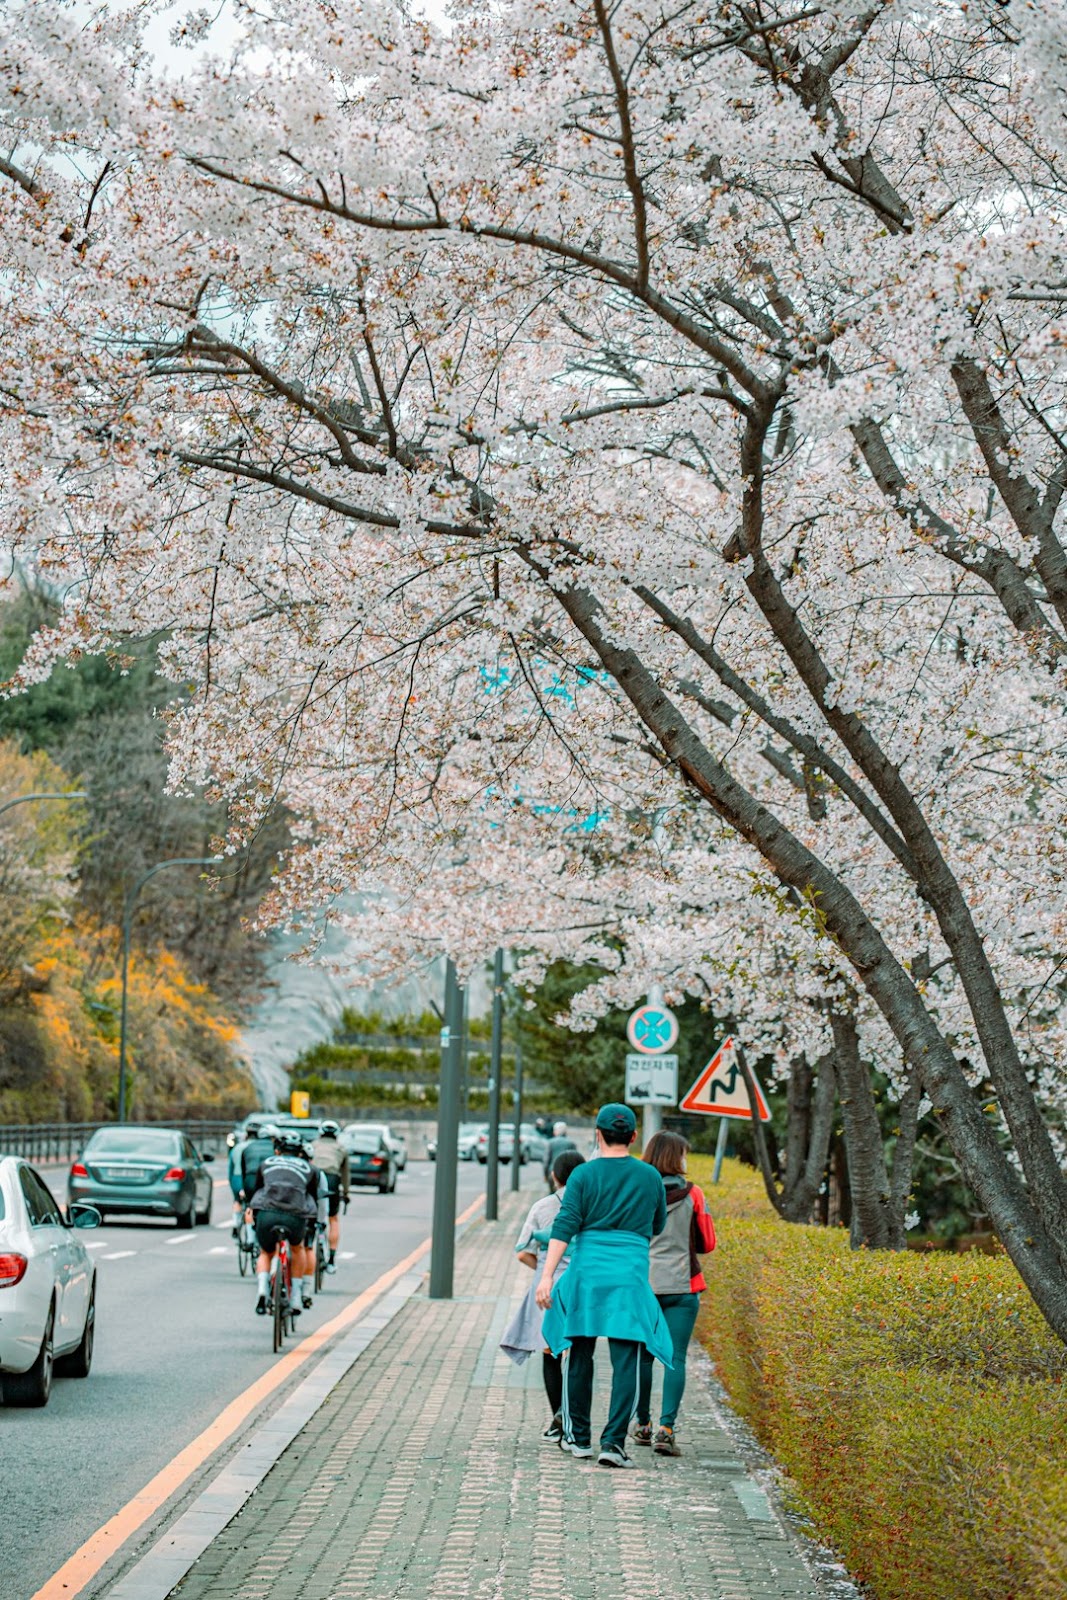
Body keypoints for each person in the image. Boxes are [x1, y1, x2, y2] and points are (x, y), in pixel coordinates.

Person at [538, 1103, 671, 1469]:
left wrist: (547, 1276)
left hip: (587, 1275)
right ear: (632, 1136)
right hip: (629, 1276)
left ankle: (578, 1438)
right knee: (626, 1360)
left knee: (579, 1353)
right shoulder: (650, 1177)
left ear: (597, 1134)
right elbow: (657, 1225)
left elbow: (564, 1226)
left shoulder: (582, 1176)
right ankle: (613, 1444)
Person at [632, 1131, 716, 1457]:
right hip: (683, 1286)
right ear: (675, 1157)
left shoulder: (637, 1191)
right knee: (675, 1358)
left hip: (644, 1287)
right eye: (683, 1154)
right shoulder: (694, 1194)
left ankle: (641, 1424)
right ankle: (666, 1430)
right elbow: (707, 1243)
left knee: (643, 1356)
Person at [500, 1149, 586, 1440]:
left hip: (549, 1288)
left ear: (553, 1176)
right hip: (582, 1286)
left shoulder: (542, 1207)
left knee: (551, 1353)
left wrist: (544, 1271)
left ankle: (558, 1415)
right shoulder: (592, 1206)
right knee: (579, 1352)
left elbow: (523, 1251)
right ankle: (574, 1416)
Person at [247, 1130, 325, 1317]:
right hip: (295, 1215)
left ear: (277, 1151)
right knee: (298, 1249)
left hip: (267, 1212)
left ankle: (262, 1291)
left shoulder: (266, 1163)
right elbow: (314, 1197)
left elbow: (256, 1189)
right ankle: (297, 1297)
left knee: (266, 1251)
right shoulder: (310, 1169)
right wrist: (316, 1223)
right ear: (300, 1153)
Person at [311, 1121, 350, 1273]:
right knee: (333, 1218)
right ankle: (332, 1260)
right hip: (332, 1179)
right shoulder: (341, 1149)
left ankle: (308, 1243)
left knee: (309, 1214)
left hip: (314, 1177)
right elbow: (345, 1174)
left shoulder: (313, 1145)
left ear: (320, 1133)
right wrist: (346, 1194)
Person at [228, 1117, 261, 1236]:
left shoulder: (237, 1147)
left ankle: (236, 1223)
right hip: (253, 1179)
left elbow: (230, 1169)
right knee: (250, 1205)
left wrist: (234, 1187)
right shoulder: (258, 1148)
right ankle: (251, 1237)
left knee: (237, 1201)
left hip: (237, 1178)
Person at [542, 1121, 577, 1190]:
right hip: (567, 1174)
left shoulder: (550, 1142)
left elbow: (546, 1160)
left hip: (552, 1172)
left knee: (552, 1195)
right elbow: (574, 1161)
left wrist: (545, 1175)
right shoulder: (571, 1143)